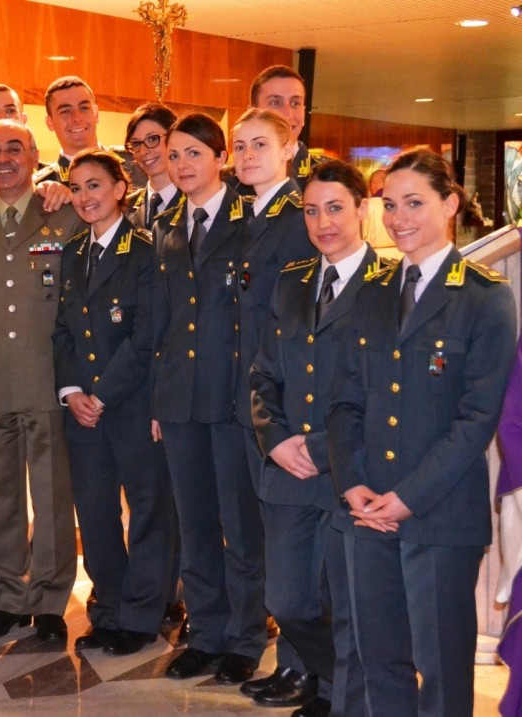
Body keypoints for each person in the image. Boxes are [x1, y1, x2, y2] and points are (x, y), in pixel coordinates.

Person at [328, 148, 516, 717]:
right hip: (366, 513)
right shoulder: (372, 291)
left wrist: (406, 499)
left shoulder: (485, 298)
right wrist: (353, 484)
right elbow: (345, 401)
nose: (398, 217)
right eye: (389, 204)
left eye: (414, 202)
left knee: (441, 670)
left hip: (438, 517)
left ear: (450, 204)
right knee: (378, 659)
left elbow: (476, 419)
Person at [248, 159, 378, 717]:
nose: (322, 222)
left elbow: (385, 396)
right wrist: (274, 437)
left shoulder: (389, 286)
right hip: (288, 473)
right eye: (311, 210)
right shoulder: (293, 281)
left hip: (351, 471)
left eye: (334, 208)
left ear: (362, 210)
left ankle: (339, 699)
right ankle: (349, 686)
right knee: (289, 601)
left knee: (350, 607)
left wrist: (322, 449)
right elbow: (263, 375)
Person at [0, 119, 80, 643]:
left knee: (50, 495)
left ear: (34, 156)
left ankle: (49, 600)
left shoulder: (64, 213)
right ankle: (5, 595)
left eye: (15, 149)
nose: (4, 158)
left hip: (43, 373)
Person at [152, 113, 260, 684]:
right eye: (175, 155)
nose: (183, 164)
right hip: (179, 401)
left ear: (220, 158)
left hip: (233, 400)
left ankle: (244, 637)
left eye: (194, 153)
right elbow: (161, 322)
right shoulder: (167, 226)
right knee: (194, 526)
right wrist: (156, 402)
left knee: (239, 527)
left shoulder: (250, 222)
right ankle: (207, 632)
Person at [53, 148, 173, 656]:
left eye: (95, 185)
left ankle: (143, 615)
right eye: (76, 188)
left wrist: (100, 393)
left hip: (132, 404)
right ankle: (108, 611)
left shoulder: (147, 251)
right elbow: (61, 333)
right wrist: (72, 392)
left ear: (121, 189)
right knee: (96, 513)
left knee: (148, 511)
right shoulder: (73, 250)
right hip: (83, 410)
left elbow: (146, 337)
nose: (85, 197)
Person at [234, 107, 315, 686]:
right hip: (246, 399)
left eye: (260, 144)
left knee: (293, 547)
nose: (247, 156)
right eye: (239, 147)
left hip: (284, 404)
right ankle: (286, 660)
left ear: (290, 150)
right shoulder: (242, 216)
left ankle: (304, 666)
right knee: (258, 536)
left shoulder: (300, 217)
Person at [35, 76, 146, 189]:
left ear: (96, 114)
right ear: (49, 122)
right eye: (65, 111)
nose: (77, 118)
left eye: (84, 108)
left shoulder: (138, 161)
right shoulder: (43, 187)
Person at [246, 65, 323, 191]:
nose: (288, 114)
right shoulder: (231, 182)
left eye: (295, 103)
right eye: (276, 103)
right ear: (251, 113)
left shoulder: (332, 176)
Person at [123, 103, 179, 233]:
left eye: (152, 139)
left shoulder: (195, 201)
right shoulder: (124, 208)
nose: (143, 151)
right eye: (136, 143)